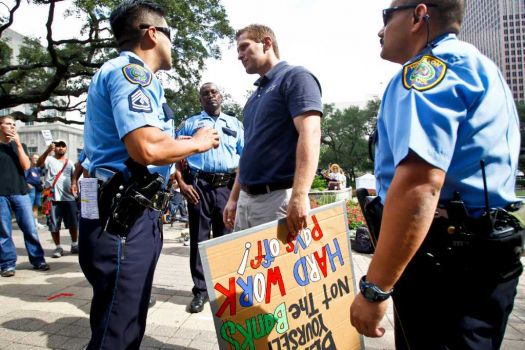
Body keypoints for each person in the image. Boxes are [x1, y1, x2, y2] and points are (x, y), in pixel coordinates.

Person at [350, 1, 523, 349]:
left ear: (419, 15)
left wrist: (375, 288)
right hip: (483, 251)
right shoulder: (477, 65)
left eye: (387, 16)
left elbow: (420, 183)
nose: (380, 30)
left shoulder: (428, 70)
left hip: (445, 263)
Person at [80, 1, 219, 348]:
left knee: (118, 317)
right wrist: (198, 143)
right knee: (119, 330)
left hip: (123, 211)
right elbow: (146, 148)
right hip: (124, 217)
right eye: (171, 35)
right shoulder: (133, 73)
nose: (173, 45)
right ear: (153, 34)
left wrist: (174, 149)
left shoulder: (127, 75)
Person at [223, 24, 323, 235]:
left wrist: (299, 195)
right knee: (248, 269)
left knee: (280, 269)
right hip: (245, 201)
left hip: (276, 199)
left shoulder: (295, 77)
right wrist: (233, 198)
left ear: (267, 43)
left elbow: (311, 133)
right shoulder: (253, 98)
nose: (239, 56)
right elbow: (248, 151)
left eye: (244, 47)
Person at [174, 82, 244, 313]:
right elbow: (174, 150)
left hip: (226, 187)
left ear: (221, 96)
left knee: (225, 238)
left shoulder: (235, 124)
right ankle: (201, 292)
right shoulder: (191, 124)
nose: (210, 95)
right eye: (205, 93)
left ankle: (225, 291)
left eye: (214, 92)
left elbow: (245, 155)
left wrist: (238, 190)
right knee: (199, 238)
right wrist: (182, 183)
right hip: (198, 186)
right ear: (200, 99)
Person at [0, 115, 49, 277]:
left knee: (29, 228)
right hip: (1, 195)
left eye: (14, 124)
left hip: (20, 192)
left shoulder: (20, 146)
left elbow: (27, 166)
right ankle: (7, 264)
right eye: (8, 124)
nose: (12, 127)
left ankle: (38, 259)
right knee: (4, 231)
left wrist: (19, 145)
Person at [37, 140, 79, 258]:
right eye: (58, 146)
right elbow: (38, 164)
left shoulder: (69, 163)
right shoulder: (49, 159)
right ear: (54, 148)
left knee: (73, 223)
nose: (60, 148)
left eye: (63, 146)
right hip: (50, 197)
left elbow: (73, 178)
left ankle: (74, 244)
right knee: (53, 223)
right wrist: (47, 151)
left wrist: (75, 188)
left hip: (69, 198)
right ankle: (58, 247)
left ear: (66, 148)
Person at [25, 154, 46, 229]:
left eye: (38, 158)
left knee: (35, 206)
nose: (36, 160)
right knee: (29, 206)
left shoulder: (38, 169)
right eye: (35, 158)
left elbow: (43, 171)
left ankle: (35, 223)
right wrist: (28, 184)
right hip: (31, 188)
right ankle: (29, 223)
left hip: (37, 188)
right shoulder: (28, 167)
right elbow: (23, 177)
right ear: (31, 159)